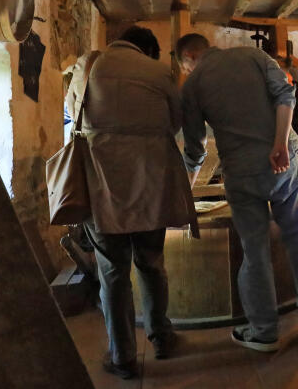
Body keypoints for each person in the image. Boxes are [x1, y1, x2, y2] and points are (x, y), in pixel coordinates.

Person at [176, 34, 298, 352]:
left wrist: (184, 195)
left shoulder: (192, 87)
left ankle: (263, 330)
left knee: (255, 250)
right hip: (285, 164)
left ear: (189, 57)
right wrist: (279, 143)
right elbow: (285, 95)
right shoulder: (253, 55)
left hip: (242, 173)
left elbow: (194, 151)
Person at [66, 26, 198, 379]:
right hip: (150, 186)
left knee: (112, 273)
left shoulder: (88, 66)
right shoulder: (159, 72)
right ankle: (162, 337)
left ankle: (122, 356)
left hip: (101, 187)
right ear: (149, 50)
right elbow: (174, 123)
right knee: (152, 264)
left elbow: (73, 114)